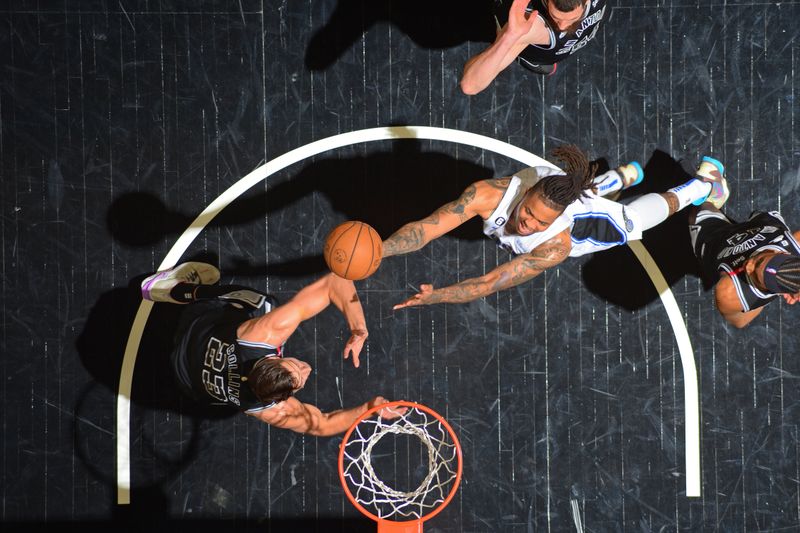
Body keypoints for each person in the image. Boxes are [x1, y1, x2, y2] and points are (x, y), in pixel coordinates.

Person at [382, 146, 729, 308]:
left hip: (582, 223)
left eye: (539, 222)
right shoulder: (487, 194)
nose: (527, 225)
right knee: (576, 185)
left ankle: (702, 184)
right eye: (528, 213)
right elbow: (426, 228)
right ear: (524, 193)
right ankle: (620, 177)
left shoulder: (555, 245)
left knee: (631, 221)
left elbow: (490, 282)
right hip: (558, 188)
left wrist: (435, 297)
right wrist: (382, 249)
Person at [141, 262, 402, 435]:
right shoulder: (272, 410)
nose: (306, 367)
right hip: (186, 379)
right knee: (266, 304)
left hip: (196, 328)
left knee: (266, 305)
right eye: (301, 373)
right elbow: (320, 425)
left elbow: (335, 282)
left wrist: (359, 328)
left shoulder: (262, 334)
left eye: (296, 367)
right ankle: (179, 290)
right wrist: (370, 408)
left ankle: (175, 289)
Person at [688, 166, 800, 328]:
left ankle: (713, 198)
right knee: (763, 216)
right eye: (760, 261)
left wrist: (766, 295)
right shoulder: (795, 243)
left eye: (755, 276)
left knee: (696, 210)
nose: (749, 266)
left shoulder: (728, 292)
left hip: (717, 242)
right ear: (783, 252)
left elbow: (740, 321)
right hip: (762, 226)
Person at [461, 0, 608, 94]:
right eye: (555, 17)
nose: (562, 26)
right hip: (581, 33)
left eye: (572, 19)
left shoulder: (532, 25)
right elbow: (470, 85)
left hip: (547, 47)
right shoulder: (533, 21)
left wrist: (510, 36)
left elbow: (470, 85)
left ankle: (526, 56)